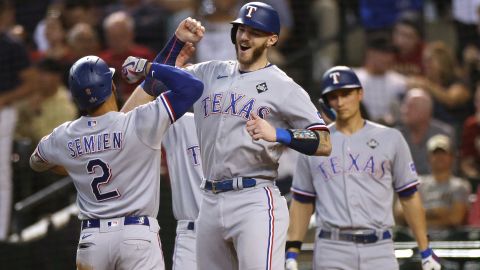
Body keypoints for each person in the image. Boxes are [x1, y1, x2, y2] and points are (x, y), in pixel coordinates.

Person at [126, 3, 332, 269]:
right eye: (241, 29)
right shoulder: (209, 72)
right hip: (209, 202)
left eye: (255, 32)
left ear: (272, 39)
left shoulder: (283, 86)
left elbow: (323, 141)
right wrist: (176, 44)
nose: (245, 37)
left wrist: (279, 133)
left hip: (254, 198)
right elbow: (152, 88)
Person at [28, 53, 204, 269]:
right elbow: (193, 87)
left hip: (92, 240)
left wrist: (75, 168)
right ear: (112, 86)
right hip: (136, 234)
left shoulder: (63, 135)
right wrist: (148, 68)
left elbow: (36, 162)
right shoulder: (138, 120)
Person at [285, 66, 441, 270]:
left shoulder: (390, 138)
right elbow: (302, 200)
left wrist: (425, 249)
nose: (340, 102)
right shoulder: (315, 144)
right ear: (325, 102)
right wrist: (292, 252)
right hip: (332, 248)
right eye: (333, 96)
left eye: (346, 93)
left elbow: (409, 196)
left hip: (379, 247)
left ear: (360, 93)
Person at [395, 134, 471, 230]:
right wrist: (437, 213)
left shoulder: (460, 186)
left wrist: (418, 215)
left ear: (452, 157)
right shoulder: (415, 183)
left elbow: (455, 219)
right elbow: (400, 213)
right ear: (428, 158)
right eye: (435, 153)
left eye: (443, 153)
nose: (439, 157)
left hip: (448, 240)